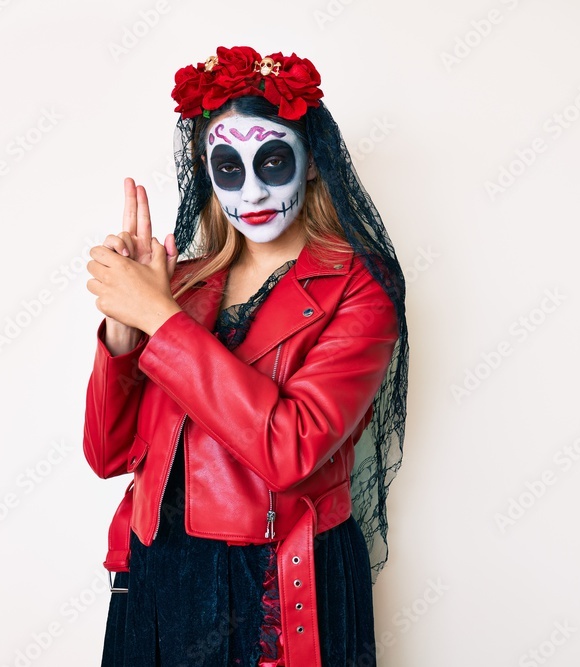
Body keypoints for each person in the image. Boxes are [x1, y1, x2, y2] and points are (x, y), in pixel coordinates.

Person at [82, 45, 410, 667]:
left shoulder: (361, 285)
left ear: (313, 164)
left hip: (273, 586)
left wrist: (158, 318)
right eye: (229, 168)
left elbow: (292, 449)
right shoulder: (184, 283)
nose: (253, 190)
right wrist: (124, 330)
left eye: (273, 161)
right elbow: (107, 455)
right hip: (157, 577)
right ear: (207, 175)